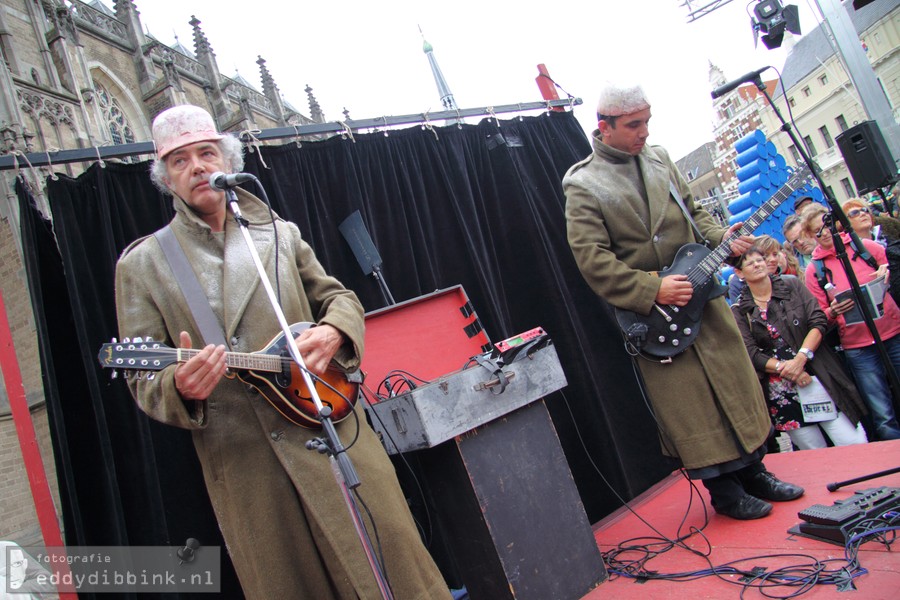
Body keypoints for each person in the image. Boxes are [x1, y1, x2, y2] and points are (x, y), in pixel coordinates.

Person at [115, 105, 451, 599]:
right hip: (249, 464)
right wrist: (178, 387)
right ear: (166, 179)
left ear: (227, 157)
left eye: (206, 153)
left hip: (331, 426)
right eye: (179, 161)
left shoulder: (278, 233)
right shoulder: (144, 264)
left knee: (397, 573)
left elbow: (339, 298)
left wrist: (335, 330)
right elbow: (143, 380)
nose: (197, 167)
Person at [564, 83, 803, 521]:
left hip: (703, 297)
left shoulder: (660, 158)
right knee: (692, 406)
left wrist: (721, 239)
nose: (644, 132)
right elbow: (591, 261)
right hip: (655, 314)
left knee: (733, 384)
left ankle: (756, 472)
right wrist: (652, 288)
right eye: (634, 125)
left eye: (647, 121)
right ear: (605, 127)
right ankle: (726, 493)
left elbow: (697, 213)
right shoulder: (583, 184)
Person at [732, 246, 868, 450]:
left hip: (817, 374)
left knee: (851, 441)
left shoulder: (791, 285)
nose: (758, 264)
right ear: (739, 273)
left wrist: (801, 359)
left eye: (760, 259)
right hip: (782, 390)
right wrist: (789, 371)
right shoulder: (740, 309)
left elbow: (818, 320)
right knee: (814, 452)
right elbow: (751, 353)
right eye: (750, 263)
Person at [801, 202, 900, 441]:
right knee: (882, 413)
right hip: (858, 347)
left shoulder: (864, 246)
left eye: (826, 227)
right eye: (817, 231)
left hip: (893, 332)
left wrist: (886, 270)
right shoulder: (815, 270)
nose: (824, 234)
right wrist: (833, 311)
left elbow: (891, 265)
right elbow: (818, 314)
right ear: (810, 235)